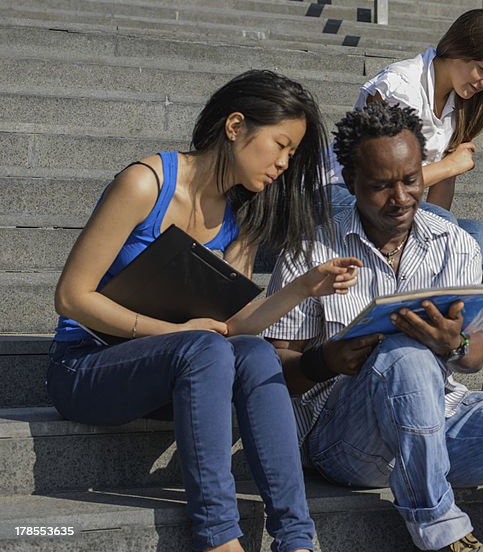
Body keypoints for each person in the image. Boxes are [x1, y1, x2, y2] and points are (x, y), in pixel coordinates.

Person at [50, 70, 363, 552]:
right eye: (280, 145)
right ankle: (218, 538)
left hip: (182, 370)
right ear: (235, 125)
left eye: (292, 155)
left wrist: (304, 287)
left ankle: (297, 539)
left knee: (255, 355)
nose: (283, 163)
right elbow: (71, 297)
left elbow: (232, 324)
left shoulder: (245, 213)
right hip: (88, 364)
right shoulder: (145, 184)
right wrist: (174, 332)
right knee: (205, 349)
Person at [263, 102, 483, 552]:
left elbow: (476, 355)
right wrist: (327, 360)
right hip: (346, 439)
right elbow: (274, 372)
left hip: (438, 420)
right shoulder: (311, 250)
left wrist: (453, 343)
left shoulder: (453, 242)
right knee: (404, 355)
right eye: (381, 186)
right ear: (352, 182)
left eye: (411, 180)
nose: (400, 198)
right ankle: (442, 532)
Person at [324, 8, 483, 266]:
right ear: (459, 48)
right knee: (445, 228)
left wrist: (437, 222)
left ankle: (410, 278)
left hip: (394, 208)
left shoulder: (460, 103)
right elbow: (378, 182)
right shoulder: (399, 87)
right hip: (339, 194)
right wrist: (449, 166)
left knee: (478, 238)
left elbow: (438, 205)